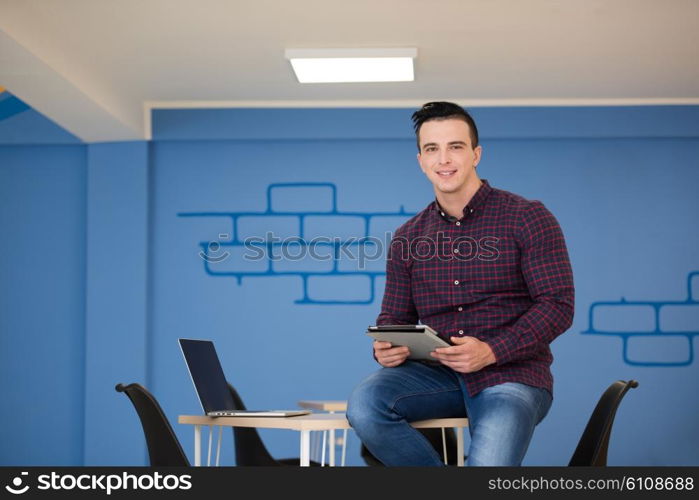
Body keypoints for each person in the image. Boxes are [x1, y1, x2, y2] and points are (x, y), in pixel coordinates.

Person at [347, 102, 574, 466]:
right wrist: (387, 346)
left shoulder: (528, 217)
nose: (444, 159)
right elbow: (393, 315)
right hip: (434, 377)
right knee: (365, 405)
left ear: (476, 154)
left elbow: (557, 306)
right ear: (420, 160)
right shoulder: (408, 237)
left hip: (510, 377)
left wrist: (492, 350)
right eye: (432, 149)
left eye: (455, 146)